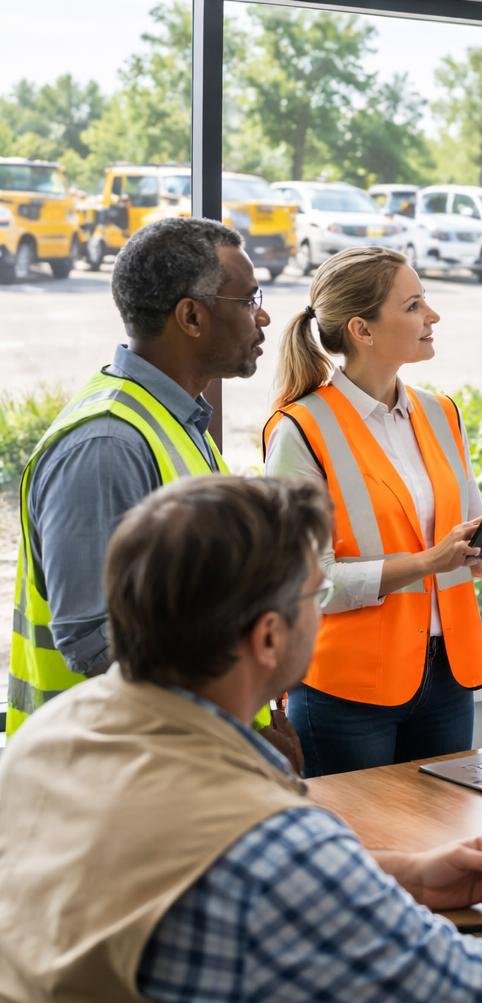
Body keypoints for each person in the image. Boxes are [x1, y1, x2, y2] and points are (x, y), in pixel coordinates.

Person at [0, 475, 482, 1003]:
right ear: (269, 637)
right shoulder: (267, 847)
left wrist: (411, 877)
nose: (322, 615)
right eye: (315, 596)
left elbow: (150, 876)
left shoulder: (51, 737)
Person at [6, 216, 299, 765]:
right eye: (249, 298)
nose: (262, 316)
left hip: (173, 766)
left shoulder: (173, 420)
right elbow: (96, 645)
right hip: (105, 777)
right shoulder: (107, 444)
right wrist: (236, 731)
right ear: (191, 315)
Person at [264, 246, 482, 775]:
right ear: (362, 329)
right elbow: (307, 584)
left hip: (447, 679)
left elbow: (467, 556)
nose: (433, 316)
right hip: (347, 690)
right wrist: (426, 563)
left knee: (445, 840)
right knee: (366, 852)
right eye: (414, 304)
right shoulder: (300, 430)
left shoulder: (442, 413)